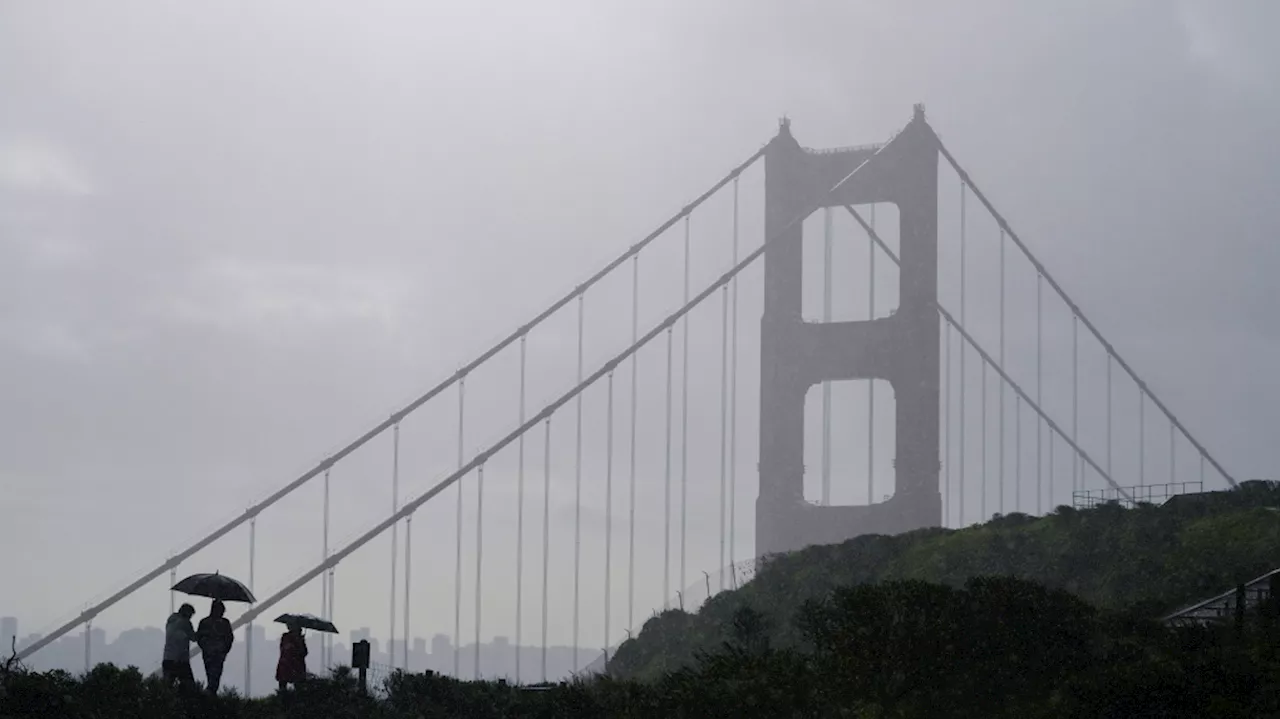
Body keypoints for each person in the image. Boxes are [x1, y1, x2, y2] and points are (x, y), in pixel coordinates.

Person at [196, 599, 234, 695]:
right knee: (214, 676)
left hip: (210, 654)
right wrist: (224, 650)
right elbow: (229, 638)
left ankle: (210, 696)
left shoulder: (204, 622)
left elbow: (199, 638)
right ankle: (211, 696)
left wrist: (207, 648)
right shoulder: (224, 623)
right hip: (216, 654)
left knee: (212, 676)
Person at [161, 603, 197, 690]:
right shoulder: (185, 622)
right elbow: (194, 637)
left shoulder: (170, 621)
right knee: (189, 687)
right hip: (181, 660)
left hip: (168, 658)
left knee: (166, 688)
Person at [275, 623, 308, 695]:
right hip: (290, 664)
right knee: (286, 685)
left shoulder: (287, 637)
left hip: (289, 665)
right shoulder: (287, 638)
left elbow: (304, 652)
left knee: (296, 685)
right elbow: (294, 651)